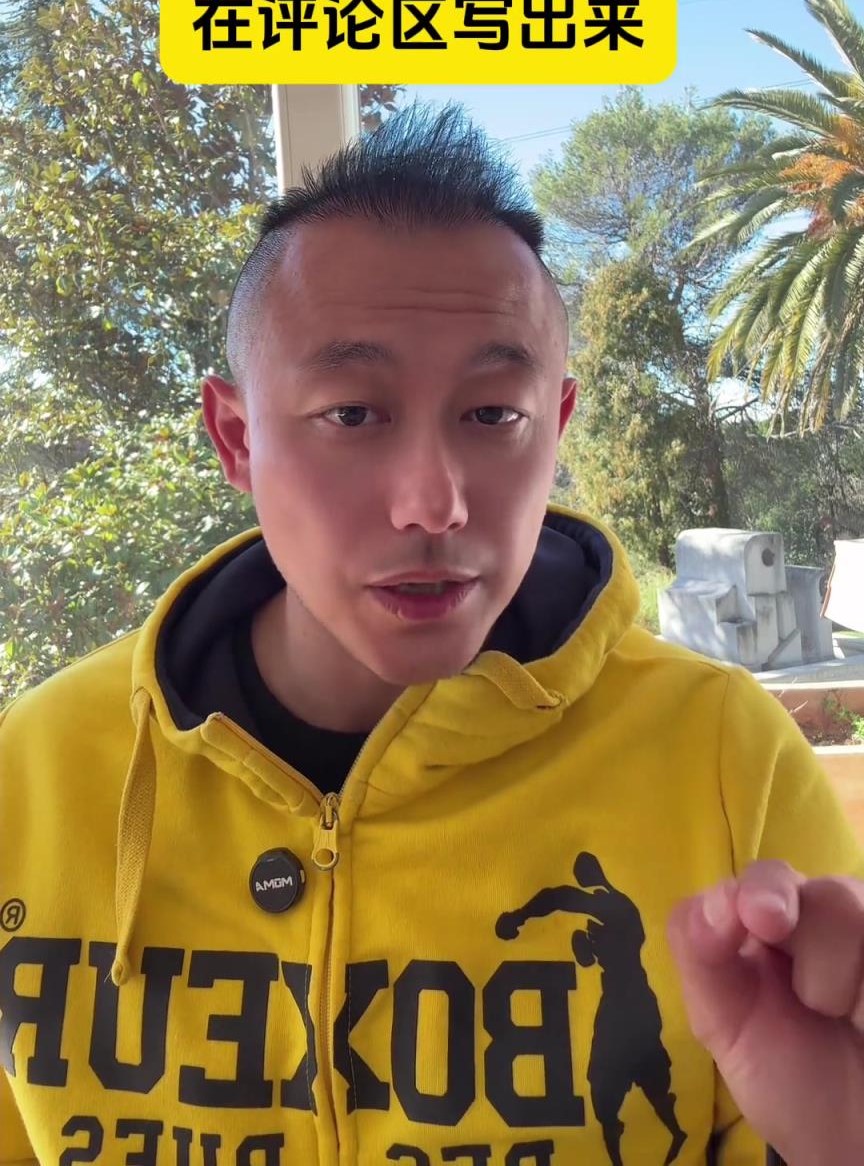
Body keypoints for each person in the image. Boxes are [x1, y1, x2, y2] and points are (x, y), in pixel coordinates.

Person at [1, 101, 862, 1166]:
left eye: (493, 415)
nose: (433, 504)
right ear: (236, 437)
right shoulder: (35, 771)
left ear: (556, 426)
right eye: (352, 414)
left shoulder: (723, 759)